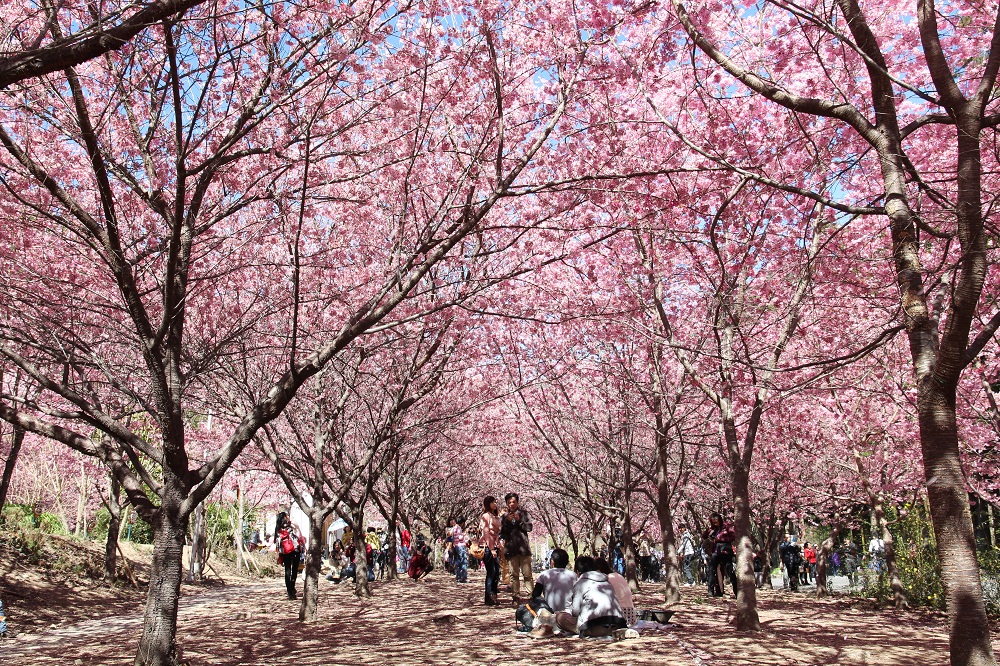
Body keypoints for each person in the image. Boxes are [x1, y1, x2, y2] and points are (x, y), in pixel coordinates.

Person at [554, 556, 627, 638]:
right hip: (617, 625)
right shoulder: (607, 581)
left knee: (560, 617)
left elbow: (575, 612)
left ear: (578, 572)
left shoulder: (580, 583)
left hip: (594, 627)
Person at [500, 492, 533, 602]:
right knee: (513, 575)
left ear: (517, 502)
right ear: (506, 504)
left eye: (514, 502)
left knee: (527, 575)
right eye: (509, 502)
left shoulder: (524, 514)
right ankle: (516, 596)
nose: (512, 504)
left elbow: (529, 528)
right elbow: (502, 533)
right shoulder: (504, 517)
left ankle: (531, 596)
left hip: (524, 549)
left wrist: (519, 521)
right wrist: (508, 522)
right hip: (511, 549)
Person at [531, 548, 577, 613]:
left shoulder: (544, 575)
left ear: (552, 562)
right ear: (567, 562)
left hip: (549, 613)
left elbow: (535, 595)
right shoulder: (573, 576)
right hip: (568, 614)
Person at [702, 512, 737, 598]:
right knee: (711, 570)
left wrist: (721, 539)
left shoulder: (727, 527)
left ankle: (737, 592)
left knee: (730, 571)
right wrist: (707, 532)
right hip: (715, 551)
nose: (715, 524)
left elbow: (733, 537)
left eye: (716, 522)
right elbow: (704, 537)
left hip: (725, 551)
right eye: (713, 522)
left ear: (720, 520)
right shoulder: (713, 528)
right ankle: (711, 591)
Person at [596, 558, 637, 626]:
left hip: (619, 617)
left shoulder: (607, 579)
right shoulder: (617, 575)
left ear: (598, 569)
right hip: (631, 616)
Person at [479, 495, 502, 606]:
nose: (494, 504)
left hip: (495, 546)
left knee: (496, 572)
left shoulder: (495, 516)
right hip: (488, 547)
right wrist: (491, 548)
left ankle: (494, 595)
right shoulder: (486, 516)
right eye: (492, 502)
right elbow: (486, 533)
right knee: (491, 572)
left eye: (495, 502)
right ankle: (489, 596)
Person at [275, 511, 302, 599]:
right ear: (286, 517)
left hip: (285, 552)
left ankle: (289, 591)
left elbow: (277, 542)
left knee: (287, 571)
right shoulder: (291, 526)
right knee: (294, 571)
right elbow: (298, 534)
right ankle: (292, 587)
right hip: (295, 549)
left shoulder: (278, 528)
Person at [452, 517, 469, 583]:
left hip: (456, 546)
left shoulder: (454, 528)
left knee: (457, 562)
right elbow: (460, 537)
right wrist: (464, 534)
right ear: (462, 523)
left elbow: (453, 538)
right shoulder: (458, 528)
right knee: (463, 561)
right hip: (461, 546)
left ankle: (458, 577)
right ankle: (464, 577)